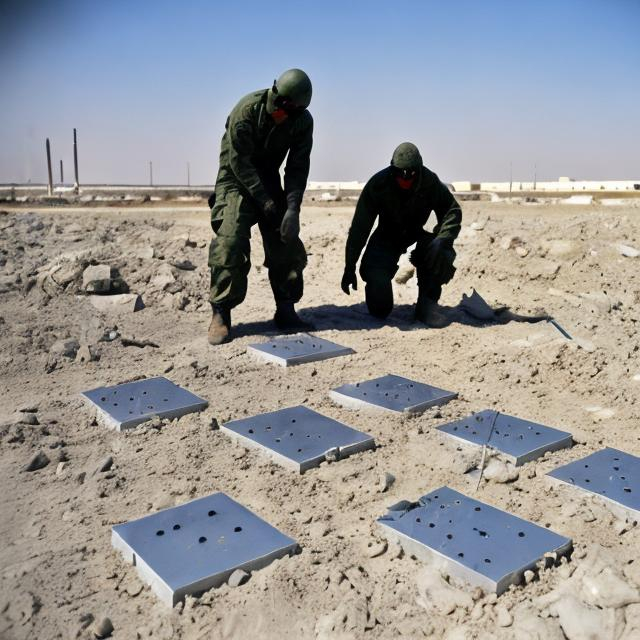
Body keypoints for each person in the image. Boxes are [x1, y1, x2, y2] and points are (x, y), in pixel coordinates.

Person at [207, 68, 314, 345]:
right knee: (230, 242)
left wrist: (291, 208)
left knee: (286, 242)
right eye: (279, 106)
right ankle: (221, 313)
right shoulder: (246, 111)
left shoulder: (302, 121)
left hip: (268, 181)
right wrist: (263, 201)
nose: (281, 112)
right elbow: (239, 163)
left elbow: (297, 166)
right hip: (234, 180)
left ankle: (286, 308)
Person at [341, 142, 462, 326]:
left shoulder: (430, 182)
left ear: (418, 170)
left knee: (441, 252)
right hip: (387, 236)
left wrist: (442, 239)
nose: (405, 178)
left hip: (417, 233)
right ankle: (378, 297)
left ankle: (426, 306)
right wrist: (349, 267)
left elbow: (451, 211)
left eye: (411, 173)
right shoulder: (378, 184)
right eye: (399, 173)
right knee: (380, 307)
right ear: (392, 169)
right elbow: (360, 228)